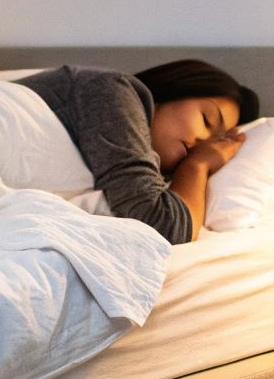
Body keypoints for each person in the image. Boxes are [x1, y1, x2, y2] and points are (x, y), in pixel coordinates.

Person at [14, 59, 259, 244]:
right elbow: (160, 227)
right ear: (174, 90)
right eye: (206, 120)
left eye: (215, 142)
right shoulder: (110, 91)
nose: (204, 142)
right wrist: (197, 165)